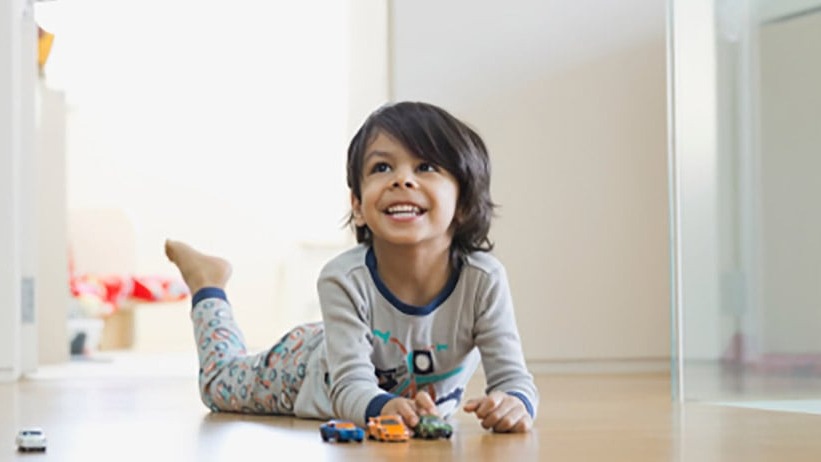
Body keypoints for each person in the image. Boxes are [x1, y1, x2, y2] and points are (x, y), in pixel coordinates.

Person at [165, 101, 539, 433]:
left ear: (464, 203)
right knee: (218, 385)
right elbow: (347, 387)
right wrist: (385, 407)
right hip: (308, 368)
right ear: (358, 205)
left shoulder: (483, 280)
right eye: (381, 167)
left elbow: (513, 379)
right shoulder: (342, 278)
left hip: (367, 356)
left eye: (425, 166)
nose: (402, 179)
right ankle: (207, 282)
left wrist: (514, 403)